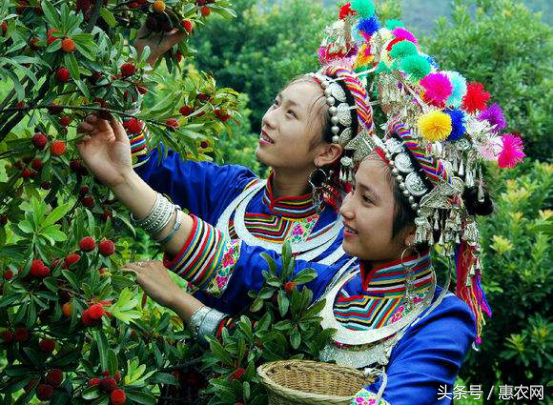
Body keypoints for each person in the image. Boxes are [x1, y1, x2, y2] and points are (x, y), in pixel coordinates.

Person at [77, 0, 524, 404]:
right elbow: (240, 270)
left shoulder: (436, 318)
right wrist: (123, 175)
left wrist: (183, 302)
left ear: (414, 230)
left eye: (367, 199)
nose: (347, 208)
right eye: (353, 192)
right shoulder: (333, 284)